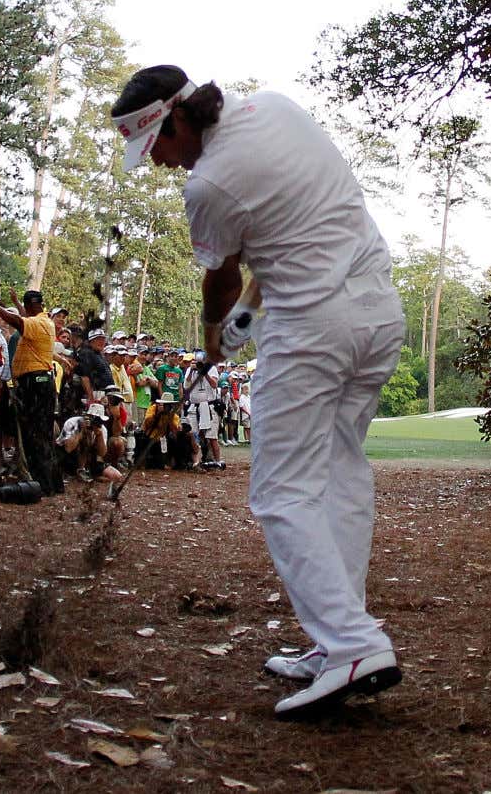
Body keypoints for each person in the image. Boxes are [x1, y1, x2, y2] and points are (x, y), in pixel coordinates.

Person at [113, 64, 403, 719]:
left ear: (178, 119)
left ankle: (354, 642)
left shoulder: (208, 182)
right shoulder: (275, 108)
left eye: (156, 145)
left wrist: (216, 330)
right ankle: (336, 639)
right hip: (378, 312)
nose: (159, 163)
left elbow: (221, 278)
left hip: (313, 331)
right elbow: (291, 232)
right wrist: (246, 316)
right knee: (339, 473)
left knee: (280, 490)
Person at [9, 289, 63, 496]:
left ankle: (42, 484)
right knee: (43, 433)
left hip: (35, 383)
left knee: (35, 435)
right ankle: (52, 483)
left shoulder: (39, 323)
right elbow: (25, 317)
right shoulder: (42, 320)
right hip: (42, 382)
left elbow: (19, 322)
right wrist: (16, 302)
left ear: (30, 306)